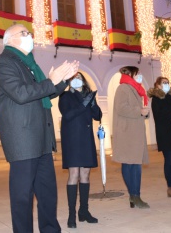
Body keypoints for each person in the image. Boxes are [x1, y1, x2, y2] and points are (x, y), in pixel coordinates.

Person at [0, 24, 79, 233]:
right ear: (10, 39)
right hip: (22, 141)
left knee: (47, 193)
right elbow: (21, 93)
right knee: (22, 197)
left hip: (40, 140)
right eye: (25, 33)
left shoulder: (29, 64)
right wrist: (51, 80)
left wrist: (61, 81)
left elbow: (42, 94)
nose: (29, 36)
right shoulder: (4, 63)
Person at [58, 72, 102, 228]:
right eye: (74, 79)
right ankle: (72, 214)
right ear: (70, 82)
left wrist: (92, 104)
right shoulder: (64, 96)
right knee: (74, 174)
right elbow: (68, 115)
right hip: (72, 140)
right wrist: (83, 105)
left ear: (83, 81)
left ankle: (84, 211)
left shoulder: (88, 96)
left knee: (85, 174)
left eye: (79, 78)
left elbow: (97, 116)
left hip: (86, 139)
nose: (77, 81)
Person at [112, 66, 150, 208]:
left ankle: (135, 195)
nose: (140, 76)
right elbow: (121, 108)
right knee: (130, 163)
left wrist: (144, 111)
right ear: (131, 74)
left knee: (135, 164)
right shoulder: (123, 88)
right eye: (137, 73)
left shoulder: (136, 89)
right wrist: (139, 110)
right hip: (127, 132)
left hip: (135, 132)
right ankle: (134, 195)